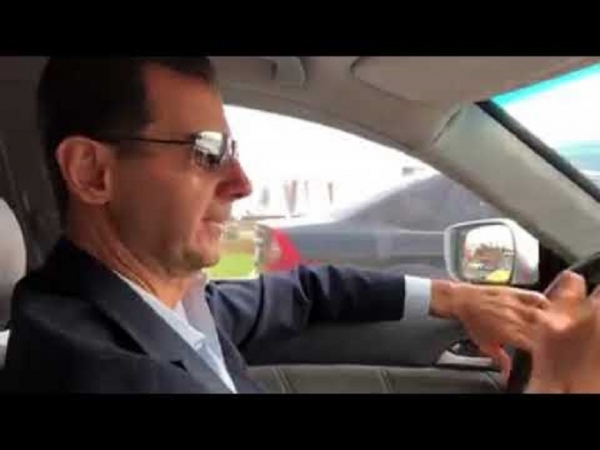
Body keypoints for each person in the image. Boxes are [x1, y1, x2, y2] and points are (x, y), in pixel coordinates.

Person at [1, 57, 550, 393]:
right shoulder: (105, 372)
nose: (242, 182)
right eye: (207, 151)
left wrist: (454, 298)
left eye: (231, 151)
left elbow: (304, 291)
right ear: (92, 172)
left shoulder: (157, 306)